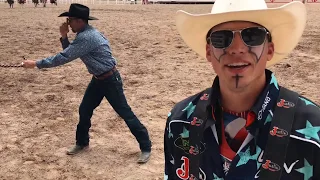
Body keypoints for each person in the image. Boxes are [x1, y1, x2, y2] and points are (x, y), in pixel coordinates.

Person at [164, 0, 320, 179]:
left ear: (270, 49)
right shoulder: (179, 122)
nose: (237, 49)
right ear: (208, 51)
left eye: (252, 36)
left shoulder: (312, 132)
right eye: (221, 38)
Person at [22, 3, 152, 164]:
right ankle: (82, 142)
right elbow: (70, 52)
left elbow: (63, 57)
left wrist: (36, 63)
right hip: (98, 79)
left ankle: (146, 147)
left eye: (70, 20)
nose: (68, 23)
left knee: (125, 113)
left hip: (110, 80)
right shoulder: (85, 34)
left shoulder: (86, 37)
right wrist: (64, 37)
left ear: (80, 21)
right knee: (85, 109)